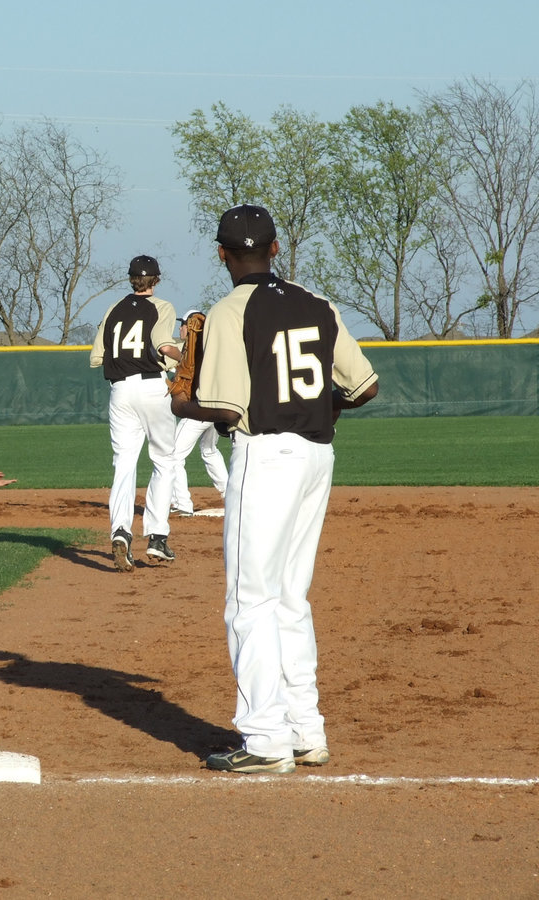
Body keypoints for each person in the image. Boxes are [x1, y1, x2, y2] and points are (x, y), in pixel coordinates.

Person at [170, 205, 378, 774]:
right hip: (317, 457)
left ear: (221, 255)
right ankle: (306, 731)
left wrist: (178, 400)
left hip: (267, 457)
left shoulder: (229, 311)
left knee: (250, 600)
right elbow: (365, 387)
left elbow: (225, 408)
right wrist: (318, 404)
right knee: (289, 598)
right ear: (276, 248)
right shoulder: (318, 302)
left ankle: (264, 740)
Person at [89, 254, 182, 572]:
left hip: (120, 392)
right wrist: (184, 355)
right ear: (156, 280)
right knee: (164, 461)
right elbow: (163, 345)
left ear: (131, 279)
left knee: (124, 465)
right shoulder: (163, 307)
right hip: (152, 387)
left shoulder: (113, 309)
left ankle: (120, 532)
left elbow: (97, 354)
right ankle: (157, 538)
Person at [168, 310, 229, 516]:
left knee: (173, 455)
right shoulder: (211, 347)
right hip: (216, 408)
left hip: (198, 410)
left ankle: (182, 503)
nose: (181, 328)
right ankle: (231, 496)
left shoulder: (194, 350)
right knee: (209, 450)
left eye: (183, 324)